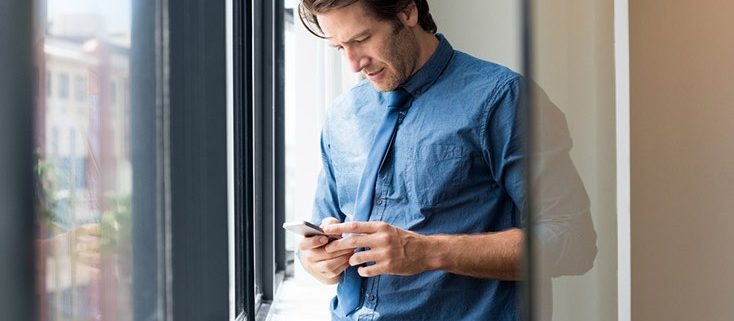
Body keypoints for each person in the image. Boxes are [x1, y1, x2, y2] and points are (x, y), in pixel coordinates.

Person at [296, 1, 597, 320]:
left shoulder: (504, 99)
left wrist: (428, 252)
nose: (353, 64)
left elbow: (573, 241)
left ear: (407, 12)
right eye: (339, 47)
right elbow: (322, 238)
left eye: (361, 39)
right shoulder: (342, 116)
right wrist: (319, 263)